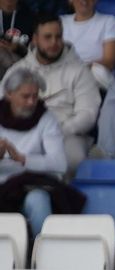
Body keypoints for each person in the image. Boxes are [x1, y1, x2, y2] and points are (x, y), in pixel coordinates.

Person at [13, 16, 96, 173]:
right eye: (47, 37)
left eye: (58, 37)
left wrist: (55, 131)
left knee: (74, 158)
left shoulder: (79, 70)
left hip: (68, 136)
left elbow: (88, 115)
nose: (54, 43)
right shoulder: (18, 71)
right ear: (35, 39)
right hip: (24, 134)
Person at [0, 66, 67, 239]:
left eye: (35, 96)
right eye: (25, 96)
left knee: (39, 201)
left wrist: (23, 159)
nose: (31, 102)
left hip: (30, 184)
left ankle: (45, 254)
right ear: (9, 94)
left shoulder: (46, 119)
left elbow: (60, 163)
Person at [60, 0, 115, 91]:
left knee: (99, 71)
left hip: (94, 78)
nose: (84, 1)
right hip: (65, 76)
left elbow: (109, 61)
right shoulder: (61, 22)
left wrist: (81, 70)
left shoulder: (109, 21)